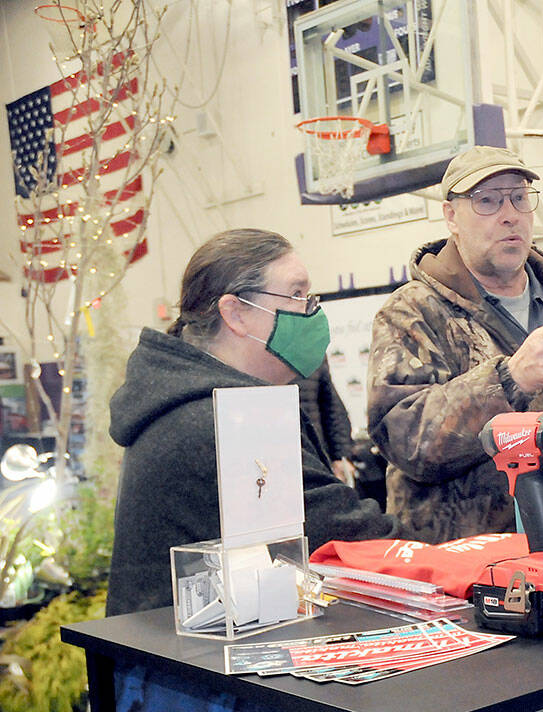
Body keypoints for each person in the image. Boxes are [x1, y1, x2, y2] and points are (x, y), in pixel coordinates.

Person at [106, 229, 401, 615]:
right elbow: (340, 531)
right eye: (297, 295)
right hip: (183, 663)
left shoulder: (210, 401)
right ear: (236, 313)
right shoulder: (221, 420)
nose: (311, 310)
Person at [366, 146, 543, 543]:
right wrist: (509, 379)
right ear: (451, 217)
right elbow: (404, 439)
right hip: (469, 566)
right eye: (487, 201)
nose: (509, 214)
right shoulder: (411, 314)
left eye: (519, 197)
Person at [296, 356, 357, 484]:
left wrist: (341, 456)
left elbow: (332, 407)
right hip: (282, 453)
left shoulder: (311, 352)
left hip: (316, 452)